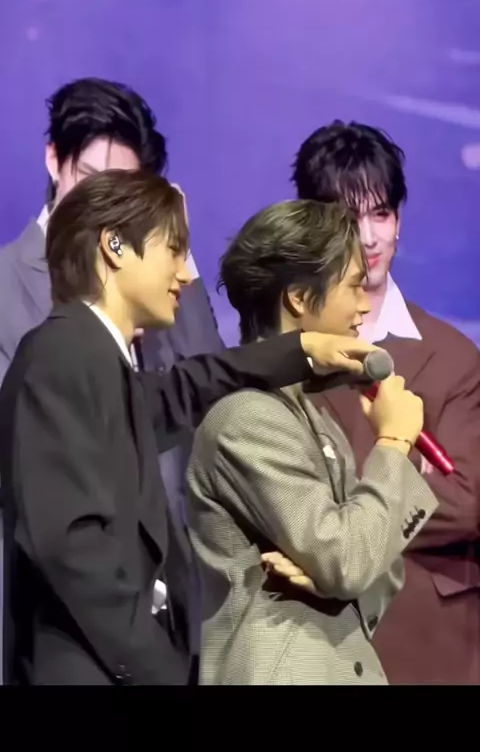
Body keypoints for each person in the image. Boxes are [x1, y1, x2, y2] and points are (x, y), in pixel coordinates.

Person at [0, 169, 382, 686]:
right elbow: (72, 548)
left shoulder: (95, 359)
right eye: (174, 251)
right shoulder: (64, 354)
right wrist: (160, 668)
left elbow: (185, 387)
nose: (184, 274)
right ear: (114, 246)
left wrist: (302, 350)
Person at [0, 77, 224, 679]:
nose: (101, 202)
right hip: (58, 625)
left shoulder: (165, 283)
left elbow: (210, 406)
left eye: (121, 188)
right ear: (54, 159)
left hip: (170, 612)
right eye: (87, 176)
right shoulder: (5, 288)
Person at [186, 199, 438, 686]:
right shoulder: (247, 418)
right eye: (353, 286)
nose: (365, 304)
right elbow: (349, 559)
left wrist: (333, 581)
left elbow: (372, 564)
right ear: (300, 298)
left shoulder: (314, 417)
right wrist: (392, 441)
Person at [291, 120, 480, 684]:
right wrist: (403, 475)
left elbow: (466, 501)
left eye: (382, 214)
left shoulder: (452, 355)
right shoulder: (283, 356)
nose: (370, 238)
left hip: (430, 641)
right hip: (316, 638)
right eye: (350, 218)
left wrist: (336, 511)